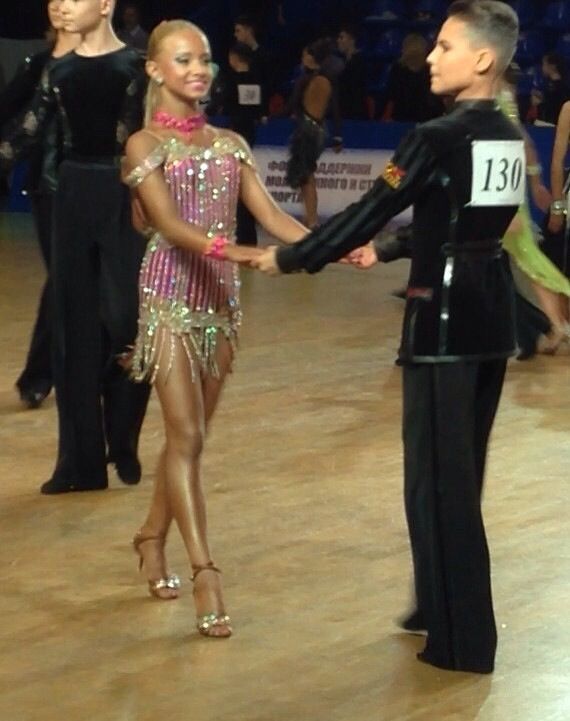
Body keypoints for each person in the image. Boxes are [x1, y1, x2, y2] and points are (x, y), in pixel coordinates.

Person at [255, 1, 523, 673]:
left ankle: (464, 643)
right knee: (457, 476)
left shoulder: (436, 135)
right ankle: (433, 606)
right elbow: (467, 216)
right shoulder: (506, 133)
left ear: (482, 59)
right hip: (491, 314)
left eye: (443, 45)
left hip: (442, 320)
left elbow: (374, 207)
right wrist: (395, 249)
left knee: (437, 482)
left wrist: (291, 256)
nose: (429, 57)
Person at [123, 20, 308, 637]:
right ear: (155, 70)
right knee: (187, 435)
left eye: (204, 59)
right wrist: (243, 255)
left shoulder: (230, 144)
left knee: (189, 440)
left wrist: (338, 245)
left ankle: (151, 535)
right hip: (169, 299)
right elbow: (171, 228)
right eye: (183, 60)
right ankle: (207, 572)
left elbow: (275, 217)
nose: (199, 69)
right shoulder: (144, 147)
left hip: (221, 308)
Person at [0, 0, 151, 494]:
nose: (61, 3)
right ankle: (79, 465)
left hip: (124, 193)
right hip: (72, 193)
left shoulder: (136, 65)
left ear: (105, 4)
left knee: (125, 320)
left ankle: (121, 431)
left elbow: (150, 137)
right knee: (72, 333)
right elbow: (26, 130)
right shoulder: (58, 69)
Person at [0, 0, 79, 409]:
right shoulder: (37, 65)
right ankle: (40, 375)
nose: (62, 9)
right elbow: (10, 116)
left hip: (106, 187)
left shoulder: (122, 65)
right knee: (65, 277)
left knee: (92, 282)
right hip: (51, 187)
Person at [497, 72, 570, 354]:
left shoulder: (495, 93)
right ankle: (551, 325)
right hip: (503, 187)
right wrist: (550, 198)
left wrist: (535, 183)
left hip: (503, 190)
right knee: (526, 256)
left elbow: (521, 139)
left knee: (526, 256)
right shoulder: (566, 109)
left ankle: (553, 325)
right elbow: (548, 156)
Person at [210, 42, 264, 245]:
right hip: (250, 133)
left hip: (236, 133)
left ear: (235, 57)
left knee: (237, 182)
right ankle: (248, 234)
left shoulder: (231, 81)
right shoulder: (256, 80)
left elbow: (222, 103)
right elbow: (258, 110)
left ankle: (243, 232)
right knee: (244, 179)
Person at [285, 39, 333, 229]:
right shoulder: (328, 79)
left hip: (306, 130)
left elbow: (293, 103)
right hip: (320, 128)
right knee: (307, 175)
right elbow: (334, 107)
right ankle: (310, 218)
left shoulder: (307, 79)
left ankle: (311, 220)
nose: (302, 57)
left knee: (305, 176)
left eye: (306, 54)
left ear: (312, 58)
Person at [381, 33, 444, 122]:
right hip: (426, 115)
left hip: (404, 115)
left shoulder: (398, 68)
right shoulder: (430, 67)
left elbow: (391, 95)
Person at [336, 24, 368, 121]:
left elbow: (355, 91)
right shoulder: (343, 62)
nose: (338, 40)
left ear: (352, 40)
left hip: (354, 116)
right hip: (343, 113)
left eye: (342, 37)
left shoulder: (359, 62)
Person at [531, 52, 570, 126]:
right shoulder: (551, 85)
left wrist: (539, 104)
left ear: (552, 66)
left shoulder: (561, 87)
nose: (542, 67)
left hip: (555, 124)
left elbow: (555, 107)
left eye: (544, 64)